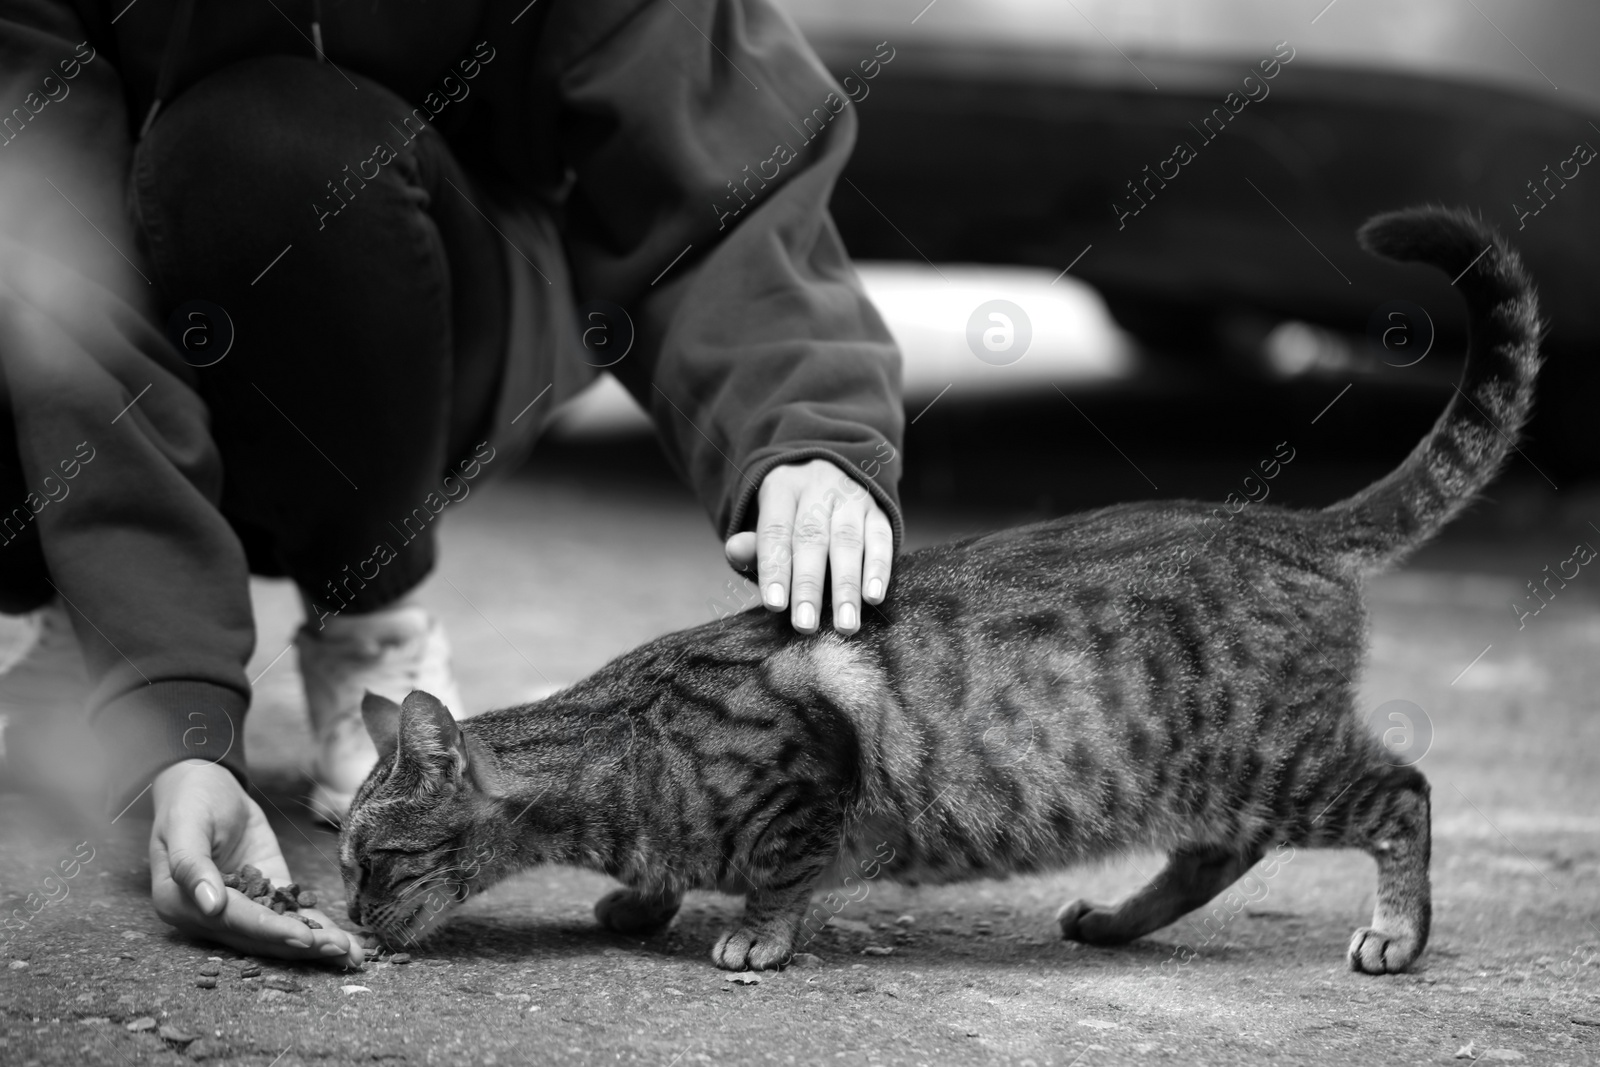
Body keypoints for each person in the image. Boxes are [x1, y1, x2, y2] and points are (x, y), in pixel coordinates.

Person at [0, 0, 903, 968]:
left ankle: (366, 607)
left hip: (411, 300)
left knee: (266, 149)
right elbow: (46, 268)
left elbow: (727, 191)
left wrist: (803, 432)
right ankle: (90, 599)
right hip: (83, 338)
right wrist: (169, 702)